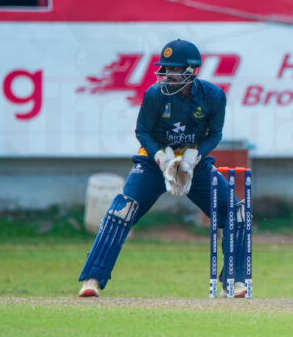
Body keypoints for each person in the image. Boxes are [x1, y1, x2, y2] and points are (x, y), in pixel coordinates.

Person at [77, 39, 247, 298]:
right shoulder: (154, 95)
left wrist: (193, 156)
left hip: (194, 164)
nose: (168, 75)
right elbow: (142, 131)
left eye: (175, 69)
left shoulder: (213, 96)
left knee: (235, 212)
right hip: (154, 162)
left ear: (191, 70)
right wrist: (161, 157)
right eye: (166, 69)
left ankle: (234, 282)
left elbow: (215, 134)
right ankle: (92, 280)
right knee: (121, 211)